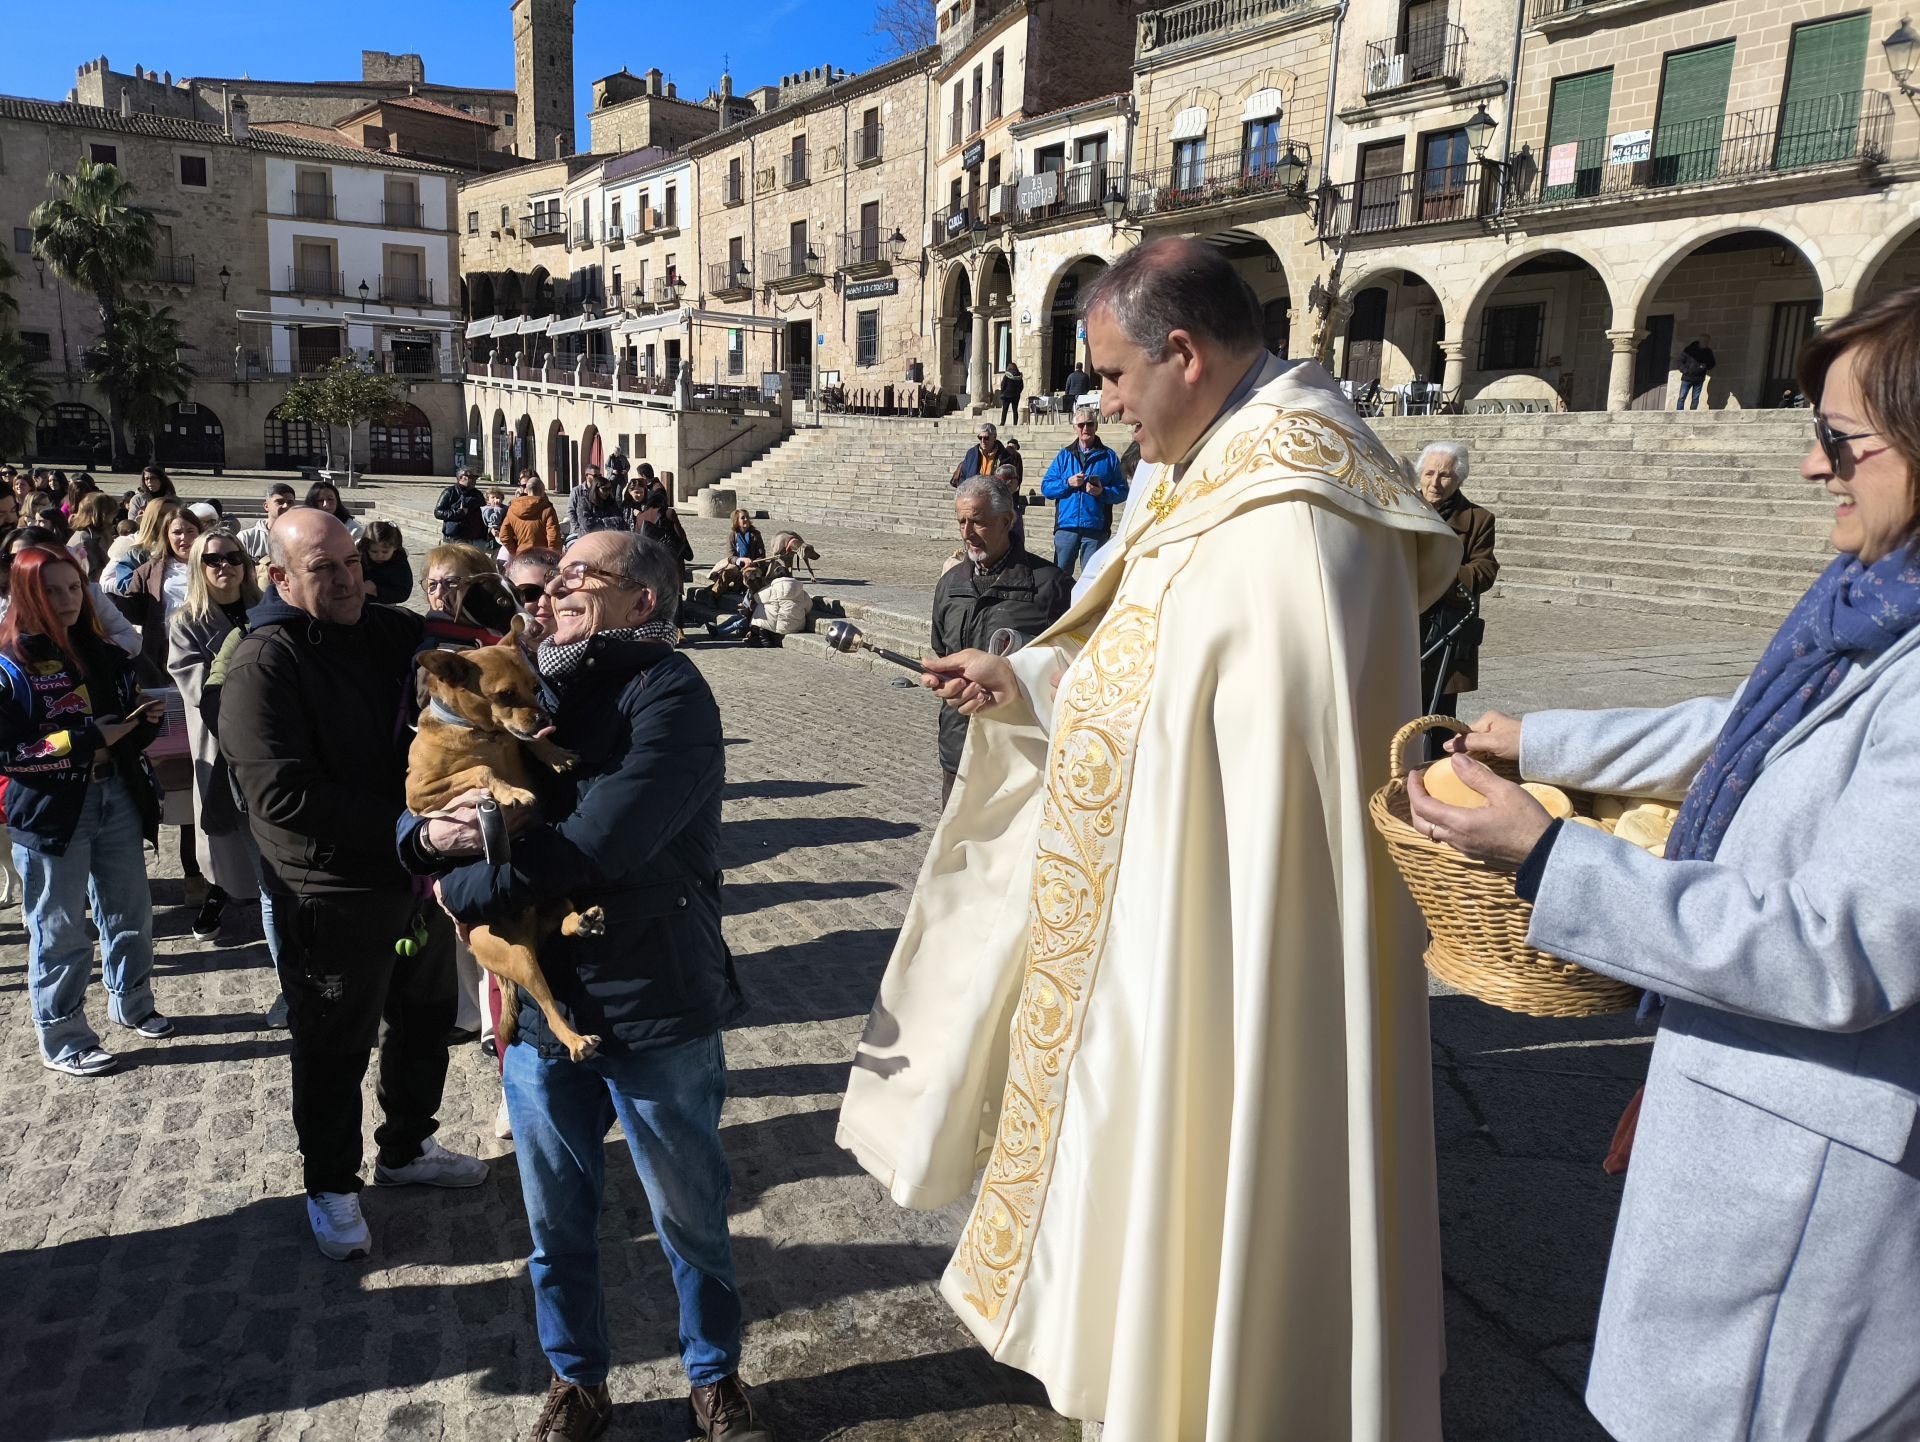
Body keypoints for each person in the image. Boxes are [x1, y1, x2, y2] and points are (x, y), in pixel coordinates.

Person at [838, 236, 1459, 1441]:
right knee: (1140, 1161)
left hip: (1226, 928)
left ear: (1185, 353)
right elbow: (1134, 656)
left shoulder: (1303, 510)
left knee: (1220, 1156)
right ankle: (1150, 1372)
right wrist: (1019, 678)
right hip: (1151, 896)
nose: (1103, 403)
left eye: (1116, 376)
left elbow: (1264, 749)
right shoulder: (1196, 465)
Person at [1408, 286, 1920, 1442]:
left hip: (1808, 1178)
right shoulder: (1869, 605)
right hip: (1753, 1114)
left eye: (1840, 440)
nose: (1810, 466)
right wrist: (1537, 739)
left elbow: (1841, 946)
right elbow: (1738, 726)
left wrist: (1552, 858)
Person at [408, 532, 774, 1442]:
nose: (553, 586)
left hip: (655, 999)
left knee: (687, 1215)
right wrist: (419, 846)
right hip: (546, 1013)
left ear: (643, 602)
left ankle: (713, 1375)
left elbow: (599, 845)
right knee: (554, 1219)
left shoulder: (671, 693)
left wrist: (457, 882)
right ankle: (578, 1381)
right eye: (554, 574)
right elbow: (424, 792)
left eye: (583, 576)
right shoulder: (526, 682)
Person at [219, 509, 486, 1262]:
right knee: (335, 1045)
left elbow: (463, 661)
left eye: (351, 563)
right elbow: (282, 798)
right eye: (323, 570)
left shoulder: (387, 630)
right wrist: (411, 828)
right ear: (279, 577)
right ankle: (332, 1185)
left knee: (427, 1017)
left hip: (410, 876)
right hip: (328, 892)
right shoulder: (262, 662)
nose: (346, 580)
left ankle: (407, 1147)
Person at [0, 547, 168, 1076]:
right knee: (61, 927)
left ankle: (133, 1001)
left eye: (74, 588)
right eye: (51, 590)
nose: (67, 600)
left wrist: (144, 721)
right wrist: (86, 736)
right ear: (26, 594)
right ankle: (64, 1034)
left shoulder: (101, 649)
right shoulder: (9, 665)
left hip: (114, 793)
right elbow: (10, 754)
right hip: (51, 810)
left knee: (130, 911)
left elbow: (126, 718)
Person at [930, 477, 1070, 806]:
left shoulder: (1052, 586)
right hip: (959, 743)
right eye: (961, 521)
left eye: (977, 521)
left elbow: (1069, 661)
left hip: (1020, 751)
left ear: (1007, 521)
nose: (966, 532)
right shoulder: (949, 585)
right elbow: (941, 648)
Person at [167, 528, 263, 942]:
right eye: (212, 560)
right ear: (198, 568)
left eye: (232, 557)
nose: (224, 566)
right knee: (225, 828)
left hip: (269, 740)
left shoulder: (265, 609)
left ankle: (270, 897)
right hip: (218, 741)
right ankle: (222, 892)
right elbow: (196, 684)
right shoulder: (185, 622)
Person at [1414, 441, 1498, 733]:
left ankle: (1433, 773)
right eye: (1429, 473)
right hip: (1402, 623)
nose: (1435, 482)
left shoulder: (1479, 519)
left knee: (1437, 719)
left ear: (1459, 479)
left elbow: (1484, 570)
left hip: (1445, 630)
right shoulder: (1401, 509)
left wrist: (1439, 573)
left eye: (1445, 475)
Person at [111, 503, 204, 684]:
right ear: (167, 536)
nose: (184, 537)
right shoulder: (150, 569)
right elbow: (133, 610)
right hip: (164, 648)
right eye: (177, 532)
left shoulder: (211, 565)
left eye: (190, 531)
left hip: (205, 644)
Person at [1040, 409, 1127, 578]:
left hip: (1095, 528)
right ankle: (1061, 606)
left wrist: (1102, 492)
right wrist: (1067, 483)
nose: (1085, 428)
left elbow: (1122, 491)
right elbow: (1046, 488)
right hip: (1066, 527)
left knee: (1091, 579)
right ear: (1075, 428)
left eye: (1089, 424)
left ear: (1096, 426)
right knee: (1059, 578)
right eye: (1081, 425)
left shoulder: (1108, 457)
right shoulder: (1064, 455)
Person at [705, 558, 810, 648]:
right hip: (798, 625)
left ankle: (719, 631)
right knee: (743, 617)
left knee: (749, 616)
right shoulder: (801, 591)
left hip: (779, 626)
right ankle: (718, 629)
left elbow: (756, 599)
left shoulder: (770, 590)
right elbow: (809, 606)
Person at [497, 474, 565, 559]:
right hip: (542, 557)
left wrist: (515, 551)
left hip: (521, 556)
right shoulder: (547, 509)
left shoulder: (512, 509)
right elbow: (553, 537)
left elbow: (504, 536)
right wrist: (552, 557)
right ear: (542, 490)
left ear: (527, 490)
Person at [705, 510, 765, 597]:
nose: (746, 519)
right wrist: (741, 560)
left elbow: (761, 555)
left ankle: (750, 600)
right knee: (729, 571)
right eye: (743, 518)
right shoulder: (733, 535)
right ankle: (714, 595)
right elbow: (730, 556)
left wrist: (754, 562)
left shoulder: (755, 535)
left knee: (752, 575)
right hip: (737, 564)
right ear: (736, 521)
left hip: (752, 565)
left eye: (747, 517)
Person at [356, 522, 413, 607]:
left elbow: (403, 592)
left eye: (385, 552)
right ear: (366, 548)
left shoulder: (399, 562)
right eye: (374, 551)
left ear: (395, 547)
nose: (379, 556)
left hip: (386, 607)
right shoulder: (361, 558)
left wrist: (376, 590)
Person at [66, 491, 121, 581]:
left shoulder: (101, 533)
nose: (114, 519)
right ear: (100, 515)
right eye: (111, 515)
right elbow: (90, 577)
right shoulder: (84, 541)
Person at [236, 484, 297, 564]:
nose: (286, 506)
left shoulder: (299, 537)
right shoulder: (246, 538)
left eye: (290, 502)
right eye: (280, 502)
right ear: (266, 506)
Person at [568, 463, 628, 539]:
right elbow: (580, 518)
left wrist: (599, 522)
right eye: (595, 476)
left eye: (600, 475)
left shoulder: (610, 500)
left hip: (607, 536)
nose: (607, 492)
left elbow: (619, 519)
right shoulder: (579, 495)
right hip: (585, 535)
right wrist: (576, 529)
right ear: (587, 476)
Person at [434, 468, 491, 547]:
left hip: (475, 538)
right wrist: (458, 513)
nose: (474, 480)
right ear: (461, 478)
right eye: (471, 477)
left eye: (476, 478)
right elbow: (438, 512)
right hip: (456, 538)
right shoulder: (449, 492)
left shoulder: (478, 494)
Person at [1676, 333, 1715, 411]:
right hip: (1687, 378)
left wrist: (1706, 366)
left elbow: (1712, 363)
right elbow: (1680, 360)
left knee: (1695, 398)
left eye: (1707, 341)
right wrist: (1685, 370)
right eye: (1704, 341)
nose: (1706, 342)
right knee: (1682, 397)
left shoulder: (1708, 352)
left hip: (1699, 379)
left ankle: (1692, 414)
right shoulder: (1689, 349)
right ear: (1700, 340)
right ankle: (1679, 413)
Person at [998, 360, 1024, 428]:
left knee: (1005, 410)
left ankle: (1002, 423)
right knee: (1015, 410)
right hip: (1016, 395)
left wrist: (1003, 392)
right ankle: (1015, 424)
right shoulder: (1019, 376)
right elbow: (1022, 386)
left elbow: (1003, 384)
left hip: (1007, 395)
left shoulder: (1007, 375)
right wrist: (1018, 392)